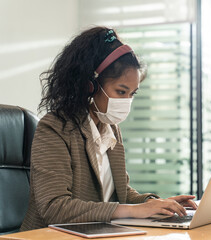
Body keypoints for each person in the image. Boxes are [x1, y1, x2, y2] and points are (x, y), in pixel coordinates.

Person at [20, 27, 197, 231]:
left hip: (96, 233)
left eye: (132, 94)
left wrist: (154, 203)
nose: (127, 102)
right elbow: (55, 208)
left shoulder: (110, 128)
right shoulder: (55, 128)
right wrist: (133, 210)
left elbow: (120, 194)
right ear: (90, 86)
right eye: (121, 91)